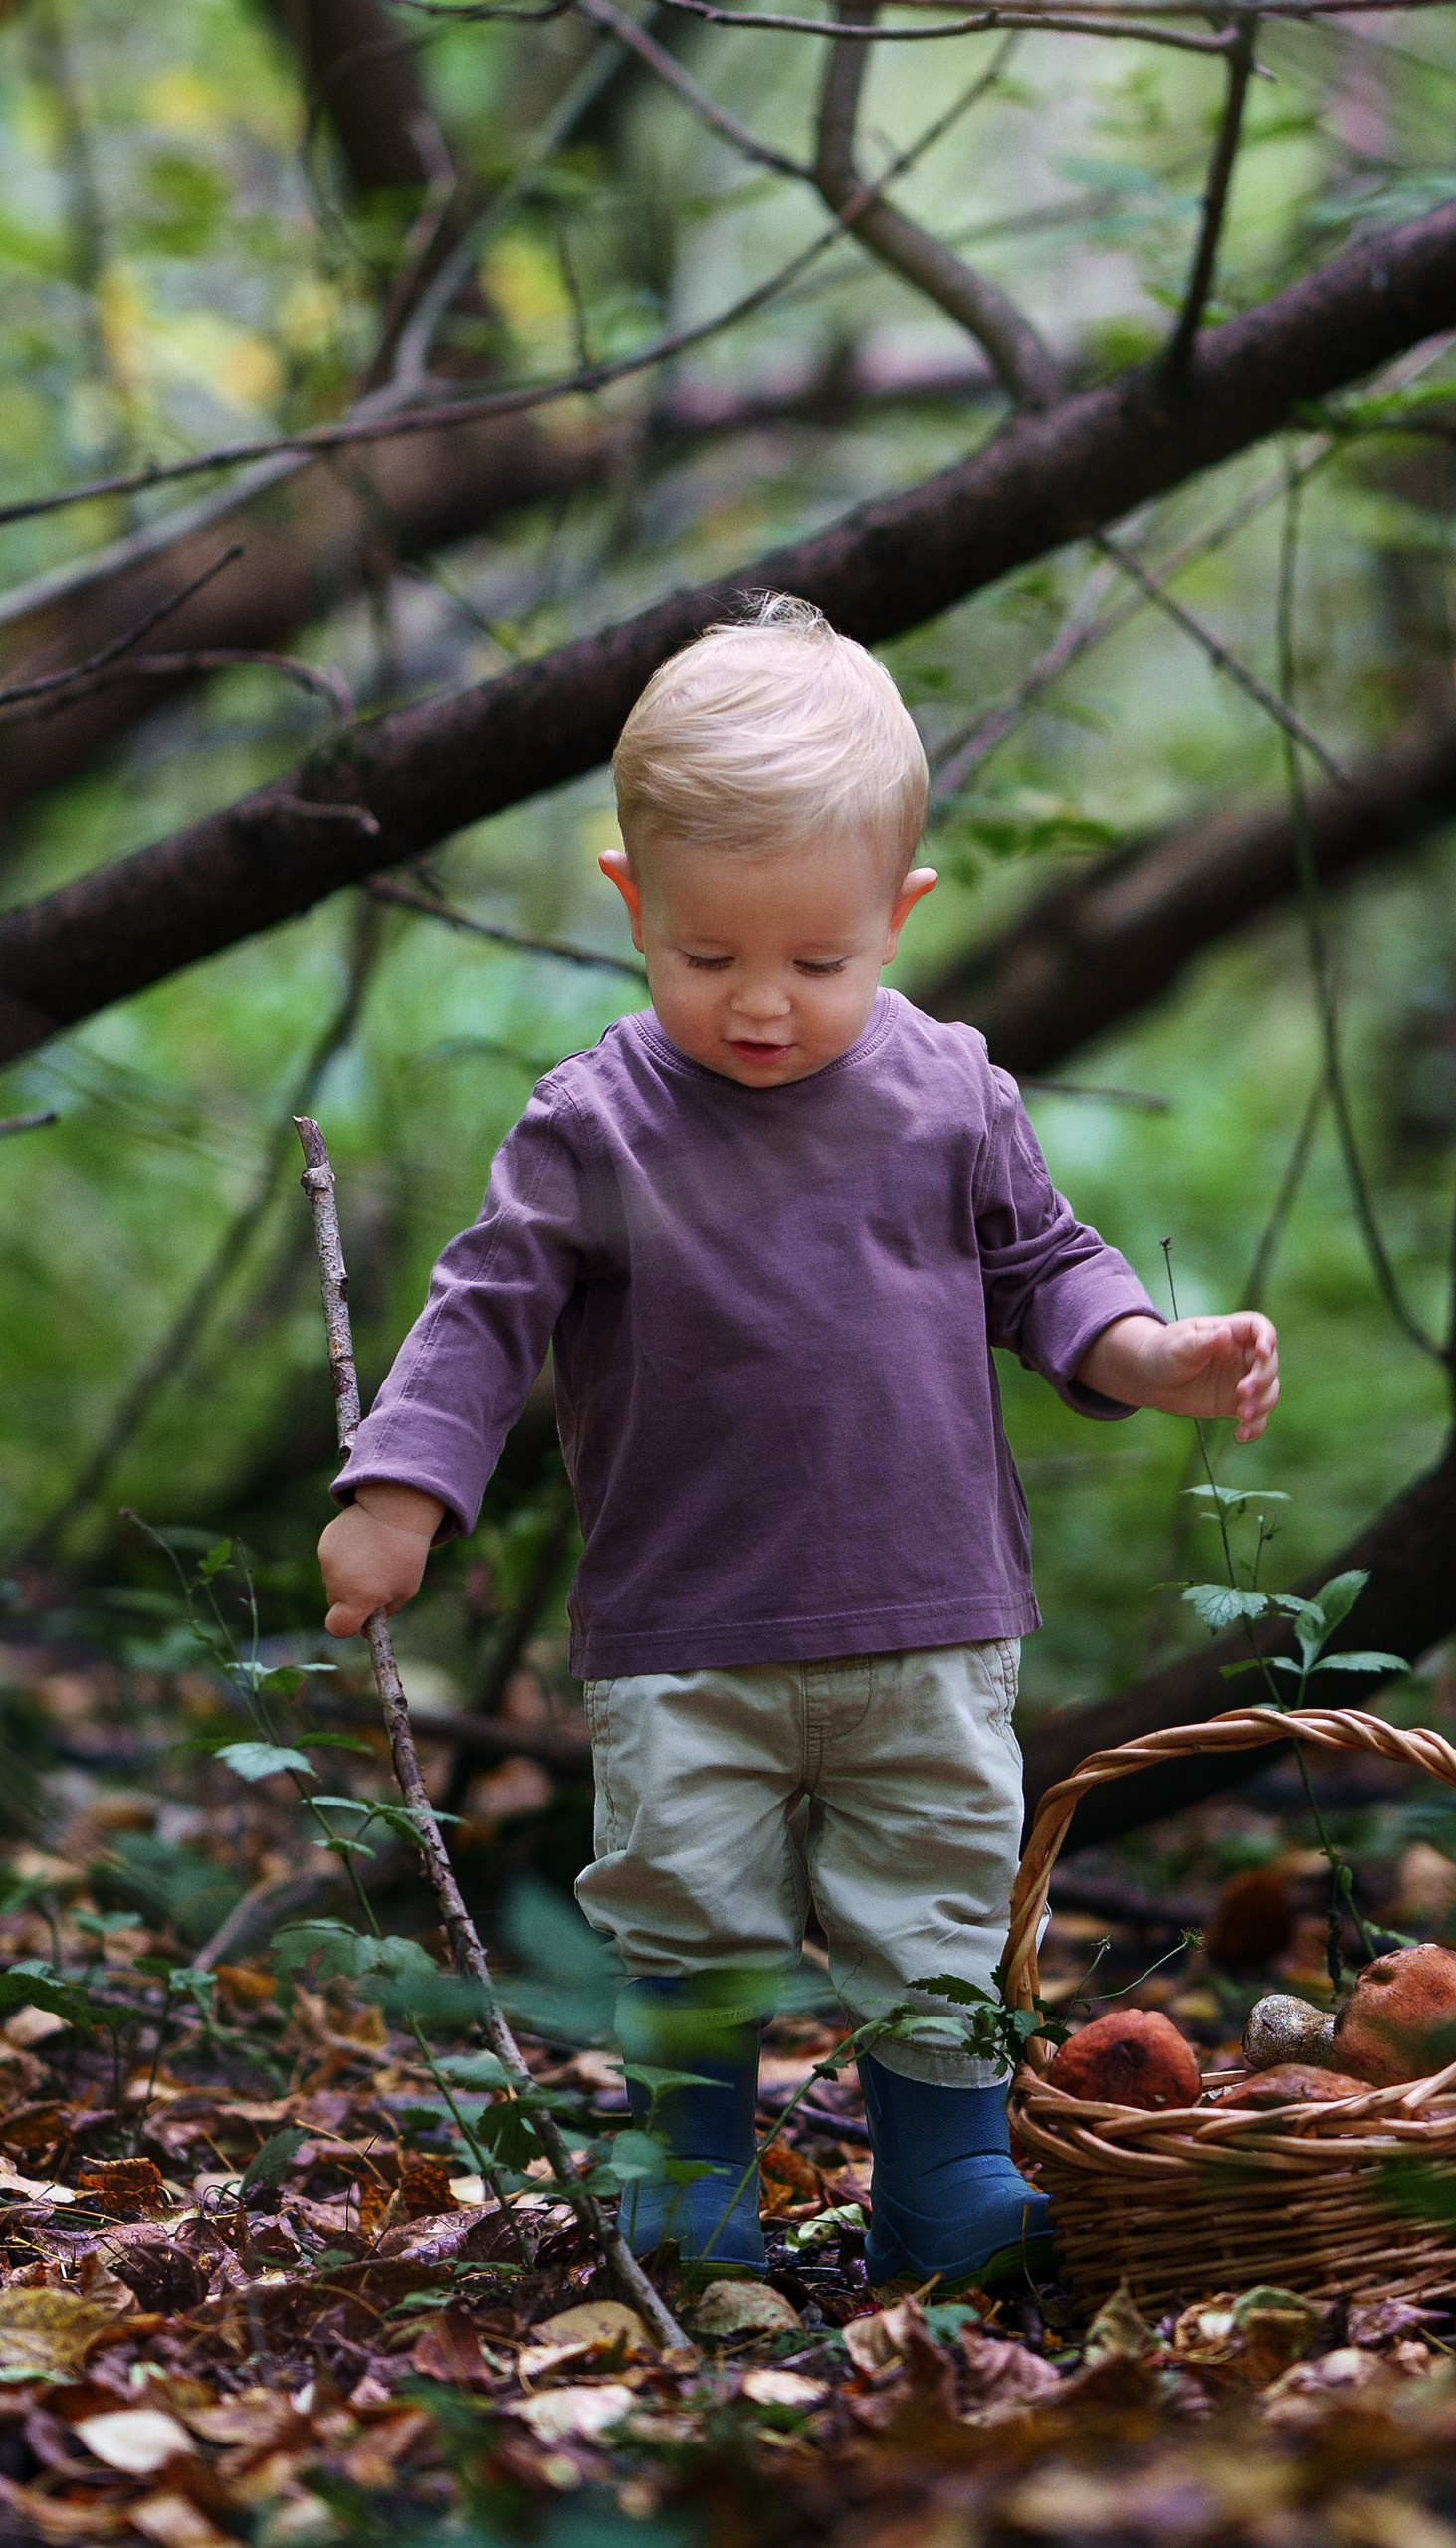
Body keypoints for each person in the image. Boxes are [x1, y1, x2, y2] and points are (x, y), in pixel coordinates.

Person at [316, 594, 1279, 2289]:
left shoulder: (950, 1094)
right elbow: (486, 1306)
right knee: (687, 1914)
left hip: (930, 1627)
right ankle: (694, 2188)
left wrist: (1150, 1357)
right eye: (710, 959)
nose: (764, 1005)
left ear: (898, 917)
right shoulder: (597, 1120)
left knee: (936, 1918)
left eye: (818, 963)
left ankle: (947, 2191)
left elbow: (1045, 1268)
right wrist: (403, 1487)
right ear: (633, 905)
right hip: (691, 1636)